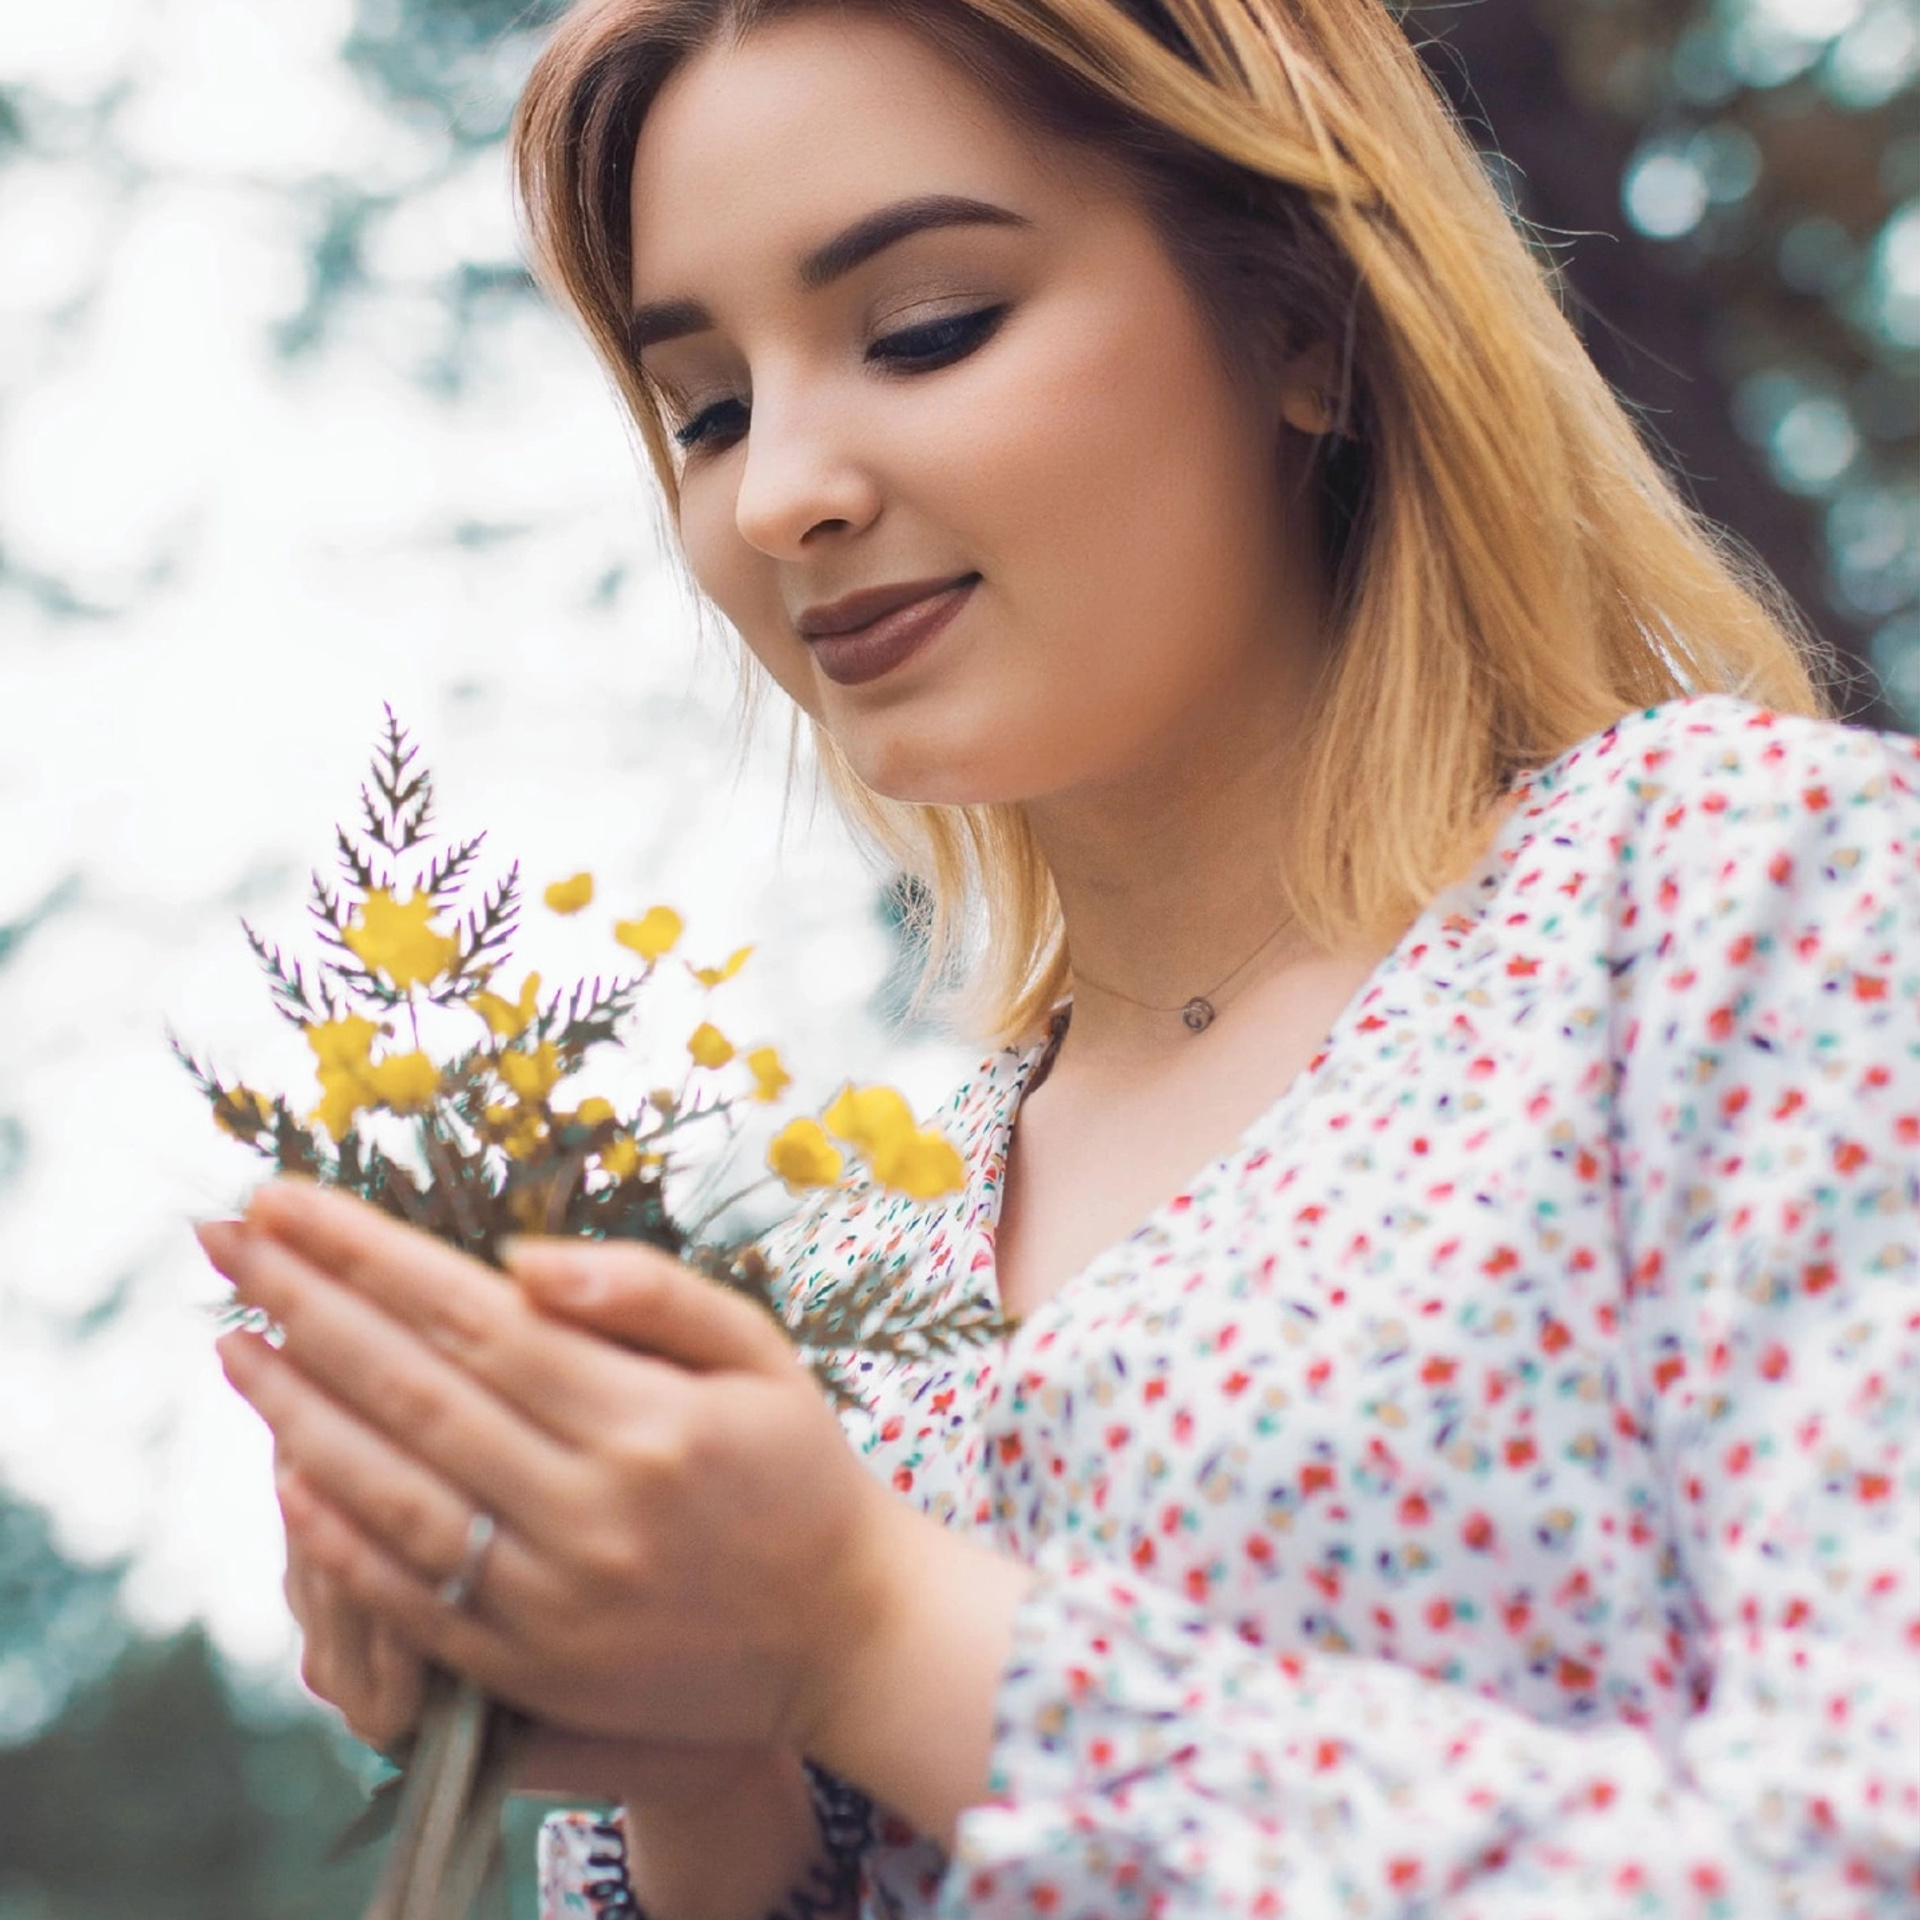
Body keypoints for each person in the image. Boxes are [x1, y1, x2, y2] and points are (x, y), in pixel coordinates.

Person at [197, 0, 1920, 1914]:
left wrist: (867, 1633)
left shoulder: (1749, 907)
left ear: (1301, 324)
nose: (781, 496)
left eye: (925, 328)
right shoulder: (851, 1273)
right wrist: (688, 1756)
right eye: (710, 410)